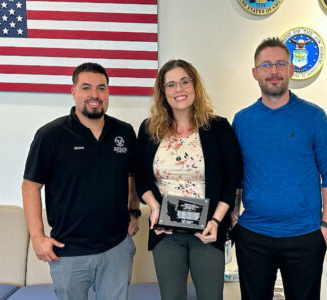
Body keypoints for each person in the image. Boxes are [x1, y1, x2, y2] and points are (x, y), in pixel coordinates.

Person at [231, 37, 327, 300]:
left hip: (305, 236)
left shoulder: (314, 116)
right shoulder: (242, 120)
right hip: (253, 236)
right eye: (266, 65)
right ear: (255, 73)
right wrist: (234, 219)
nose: (274, 71)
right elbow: (235, 176)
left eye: (281, 63)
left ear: (291, 69)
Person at [22, 62, 141, 300]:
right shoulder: (51, 135)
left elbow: (132, 175)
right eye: (86, 88)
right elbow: (30, 186)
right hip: (69, 251)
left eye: (102, 88)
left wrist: (134, 211)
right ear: (73, 91)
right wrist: (37, 237)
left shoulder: (124, 132)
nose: (94, 95)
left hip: (116, 248)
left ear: (108, 93)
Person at [136, 59, 242, 300]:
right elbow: (141, 176)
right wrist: (153, 207)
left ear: (195, 85)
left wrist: (216, 220)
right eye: (170, 84)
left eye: (185, 82)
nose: (179, 90)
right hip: (166, 232)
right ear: (163, 92)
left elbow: (231, 180)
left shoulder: (218, 127)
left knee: (210, 296)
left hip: (207, 230)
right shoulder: (149, 129)